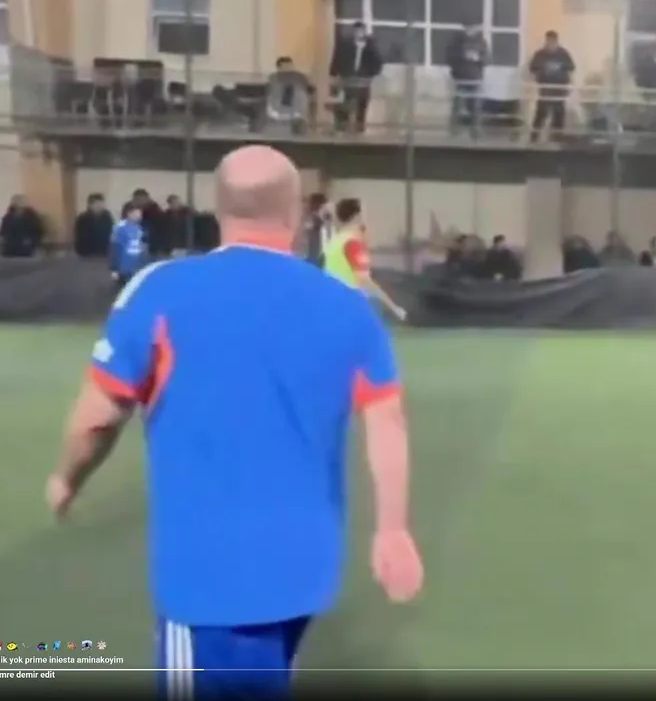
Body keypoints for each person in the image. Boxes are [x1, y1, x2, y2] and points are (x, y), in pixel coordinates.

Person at [46, 145, 423, 699]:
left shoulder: (160, 290)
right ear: (295, 213)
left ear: (218, 209)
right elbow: (387, 421)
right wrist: (392, 529)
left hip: (209, 579)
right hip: (304, 570)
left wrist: (66, 479)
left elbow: (98, 420)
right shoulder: (346, 306)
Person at [323, 197, 408, 321]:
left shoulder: (334, 242)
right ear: (356, 216)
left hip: (333, 305)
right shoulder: (353, 244)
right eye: (363, 212)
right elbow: (364, 281)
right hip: (351, 306)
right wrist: (394, 308)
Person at [109, 203, 147, 290]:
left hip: (135, 267)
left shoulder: (138, 228)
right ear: (129, 213)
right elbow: (115, 248)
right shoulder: (120, 228)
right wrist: (114, 268)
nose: (139, 216)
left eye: (140, 213)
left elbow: (140, 247)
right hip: (123, 268)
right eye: (136, 213)